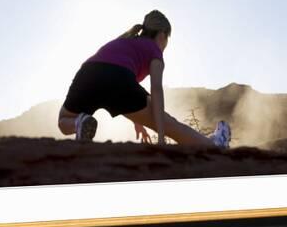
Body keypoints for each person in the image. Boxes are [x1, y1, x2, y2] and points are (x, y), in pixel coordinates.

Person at [57, 9, 231, 148]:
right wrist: (161, 136)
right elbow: (155, 90)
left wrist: (138, 122)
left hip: (88, 73)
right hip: (119, 79)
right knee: (168, 123)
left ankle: (79, 123)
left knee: (64, 120)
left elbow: (122, 88)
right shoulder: (154, 51)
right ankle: (215, 145)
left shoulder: (125, 41)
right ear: (162, 35)